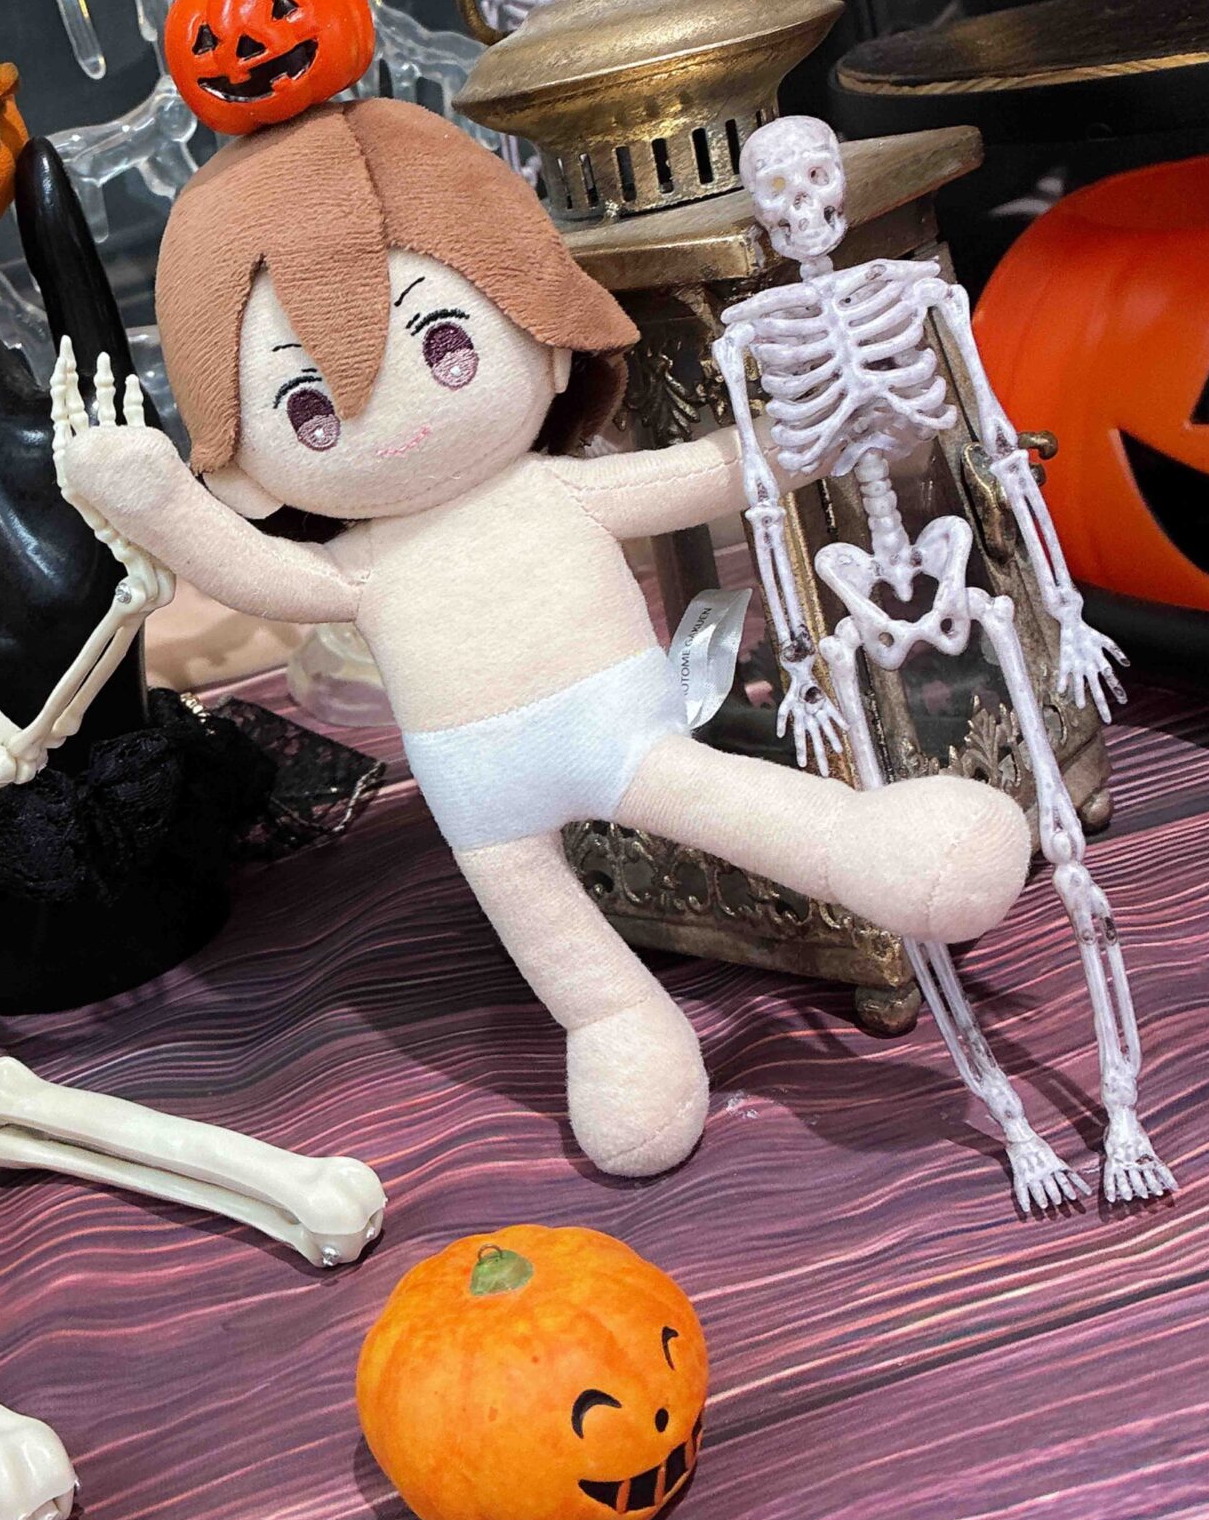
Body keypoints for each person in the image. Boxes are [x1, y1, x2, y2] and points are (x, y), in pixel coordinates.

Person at [57, 98, 1030, 1178]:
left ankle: (865, 850)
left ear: (545, 333)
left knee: (719, 797)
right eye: (311, 412)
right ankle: (618, 1021)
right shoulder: (367, 564)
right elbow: (260, 574)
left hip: (623, 737)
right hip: (484, 810)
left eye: (444, 344)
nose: (399, 419)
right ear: (246, 464)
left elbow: (707, 472)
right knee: (554, 934)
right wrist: (164, 505)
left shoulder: (552, 491)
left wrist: (801, 429)